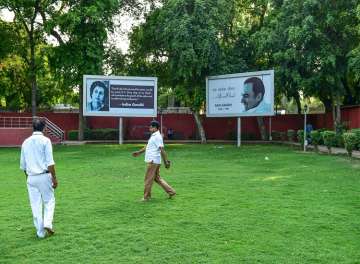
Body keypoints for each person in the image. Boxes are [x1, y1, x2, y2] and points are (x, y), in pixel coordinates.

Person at [20, 117, 58, 238]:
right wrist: (54, 178)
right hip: (44, 175)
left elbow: (23, 165)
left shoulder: (25, 142)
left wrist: (28, 177)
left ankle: (40, 232)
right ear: (44, 128)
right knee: (49, 201)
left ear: (33, 127)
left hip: (31, 177)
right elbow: (50, 163)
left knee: (35, 204)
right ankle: (48, 223)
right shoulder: (45, 141)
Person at [132, 120, 176, 201]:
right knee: (157, 178)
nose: (149, 128)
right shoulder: (154, 135)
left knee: (148, 179)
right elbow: (148, 146)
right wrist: (139, 152)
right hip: (155, 161)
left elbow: (162, 149)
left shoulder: (157, 137)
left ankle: (146, 197)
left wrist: (166, 161)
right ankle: (171, 192)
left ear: (155, 128)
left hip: (153, 161)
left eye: (151, 127)